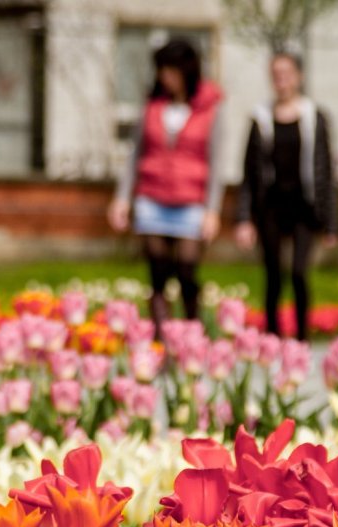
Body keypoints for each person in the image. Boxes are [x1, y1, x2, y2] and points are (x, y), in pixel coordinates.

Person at [108, 38, 224, 339]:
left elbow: (217, 162)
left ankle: (191, 336)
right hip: (152, 198)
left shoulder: (209, 108)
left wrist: (212, 210)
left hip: (191, 201)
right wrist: (122, 199)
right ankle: (162, 341)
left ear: (187, 71)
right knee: (158, 274)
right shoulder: (152, 107)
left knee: (186, 271)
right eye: (161, 71)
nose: (165, 78)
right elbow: (135, 154)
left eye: (171, 71)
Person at [234, 52, 338, 341]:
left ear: (299, 76)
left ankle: (301, 337)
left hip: (304, 206)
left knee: (298, 271)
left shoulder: (313, 117)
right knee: (273, 274)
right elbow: (249, 173)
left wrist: (331, 223)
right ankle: (272, 337)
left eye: (287, 73)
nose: (282, 79)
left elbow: (326, 171)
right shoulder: (261, 118)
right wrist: (244, 218)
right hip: (270, 206)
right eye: (276, 73)